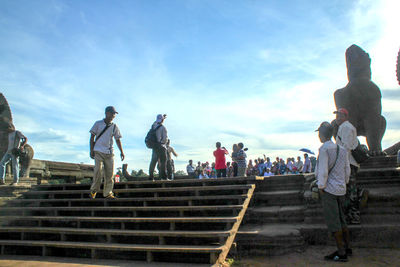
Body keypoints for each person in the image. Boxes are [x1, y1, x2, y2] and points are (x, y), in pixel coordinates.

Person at [315, 121, 351, 262]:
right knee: (342, 220)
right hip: (341, 188)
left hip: (329, 189)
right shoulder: (341, 149)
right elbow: (346, 170)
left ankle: (341, 253)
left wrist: (321, 187)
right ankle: (347, 248)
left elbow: (323, 171)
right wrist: (344, 183)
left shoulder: (324, 149)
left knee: (334, 222)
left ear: (321, 134)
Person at [334, 108, 364, 224]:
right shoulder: (345, 127)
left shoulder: (346, 127)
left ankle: (354, 215)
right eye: (337, 116)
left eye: (340, 116)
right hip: (349, 163)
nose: (337, 118)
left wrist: (340, 164)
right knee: (349, 189)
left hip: (348, 163)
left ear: (345, 117)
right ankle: (352, 214)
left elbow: (346, 148)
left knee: (350, 190)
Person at [89, 106, 124, 199]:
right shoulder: (98, 124)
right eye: (112, 113)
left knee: (110, 174)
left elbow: (117, 139)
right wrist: (91, 150)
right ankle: (94, 190)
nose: (113, 115)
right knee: (98, 171)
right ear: (107, 113)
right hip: (98, 151)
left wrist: (121, 152)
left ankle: (108, 193)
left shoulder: (114, 126)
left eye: (114, 114)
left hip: (109, 152)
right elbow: (92, 137)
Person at [149, 114, 168, 180]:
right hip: (161, 146)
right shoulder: (163, 128)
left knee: (153, 161)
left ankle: (151, 177)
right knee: (163, 162)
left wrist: (163, 118)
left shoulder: (153, 126)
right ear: (162, 120)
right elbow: (165, 139)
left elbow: (156, 122)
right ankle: (164, 177)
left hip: (154, 146)